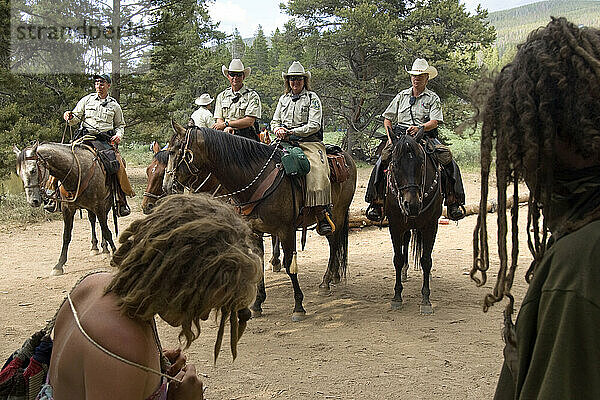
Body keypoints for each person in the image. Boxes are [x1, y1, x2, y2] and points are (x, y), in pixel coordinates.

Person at [472, 17, 600, 399]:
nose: (521, 165)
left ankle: (453, 199)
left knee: (442, 161)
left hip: (426, 133)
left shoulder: (578, 264)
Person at [38, 194, 261, 399]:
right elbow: (115, 362)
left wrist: (154, 364)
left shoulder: (94, 283)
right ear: (178, 277)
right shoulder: (124, 349)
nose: (202, 316)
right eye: (203, 301)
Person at [365, 58, 466, 222]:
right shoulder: (401, 96)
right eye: (414, 76)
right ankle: (376, 201)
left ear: (427, 78)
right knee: (382, 160)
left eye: (420, 76)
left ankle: (453, 200)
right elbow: (387, 118)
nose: (416, 79)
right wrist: (391, 140)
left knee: (447, 157)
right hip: (400, 136)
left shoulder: (432, 98)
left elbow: (435, 121)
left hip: (425, 136)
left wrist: (421, 128)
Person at [48, 73, 135, 217]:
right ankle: (53, 194)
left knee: (117, 163)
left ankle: (121, 199)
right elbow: (75, 118)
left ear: (108, 85)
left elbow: (120, 125)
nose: (98, 86)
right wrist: (69, 116)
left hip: (104, 140)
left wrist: (118, 135)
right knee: (62, 159)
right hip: (84, 138)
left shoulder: (115, 105)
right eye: (96, 83)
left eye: (102, 83)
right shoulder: (87, 100)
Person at [270, 61, 333, 235]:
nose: (295, 82)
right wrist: (277, 129)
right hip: (283, 141)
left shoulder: (313, 99)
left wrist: (291, 131)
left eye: (298, 79)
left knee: (317, 170)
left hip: (308, 142)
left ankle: (321, 212)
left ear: (304, 81)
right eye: (291, 79)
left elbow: (314, 125)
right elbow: (274, 120)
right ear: (288, 81)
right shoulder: (283, 99)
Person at [212, 59, 262, 141]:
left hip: (246, 137)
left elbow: (249, 121)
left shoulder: (252, 96)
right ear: (228, 76)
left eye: (239, 75)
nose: (235, 77)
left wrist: (226, 124)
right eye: (232, 74)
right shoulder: (222, 96)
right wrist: (225, 127)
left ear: (243, 76)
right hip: (226, 135)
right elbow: (219, 119)